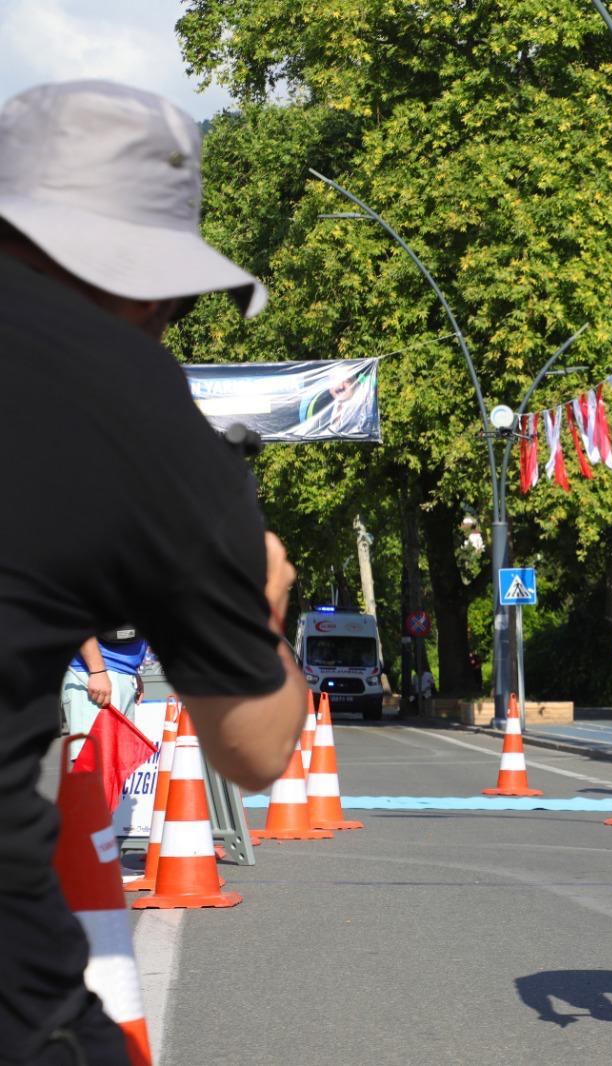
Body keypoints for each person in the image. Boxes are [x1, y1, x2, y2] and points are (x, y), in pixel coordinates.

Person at [0, 80, 308, 1062]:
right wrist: (262, 602)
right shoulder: (142, 406)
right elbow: (254, 747)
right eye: (177, 303)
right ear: (142, 280)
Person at [60, 630, 146, 763]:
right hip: (95, 673)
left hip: (116, 672)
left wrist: (132, 672)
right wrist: (97, 670)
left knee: (117, 766)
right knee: (95, 765)